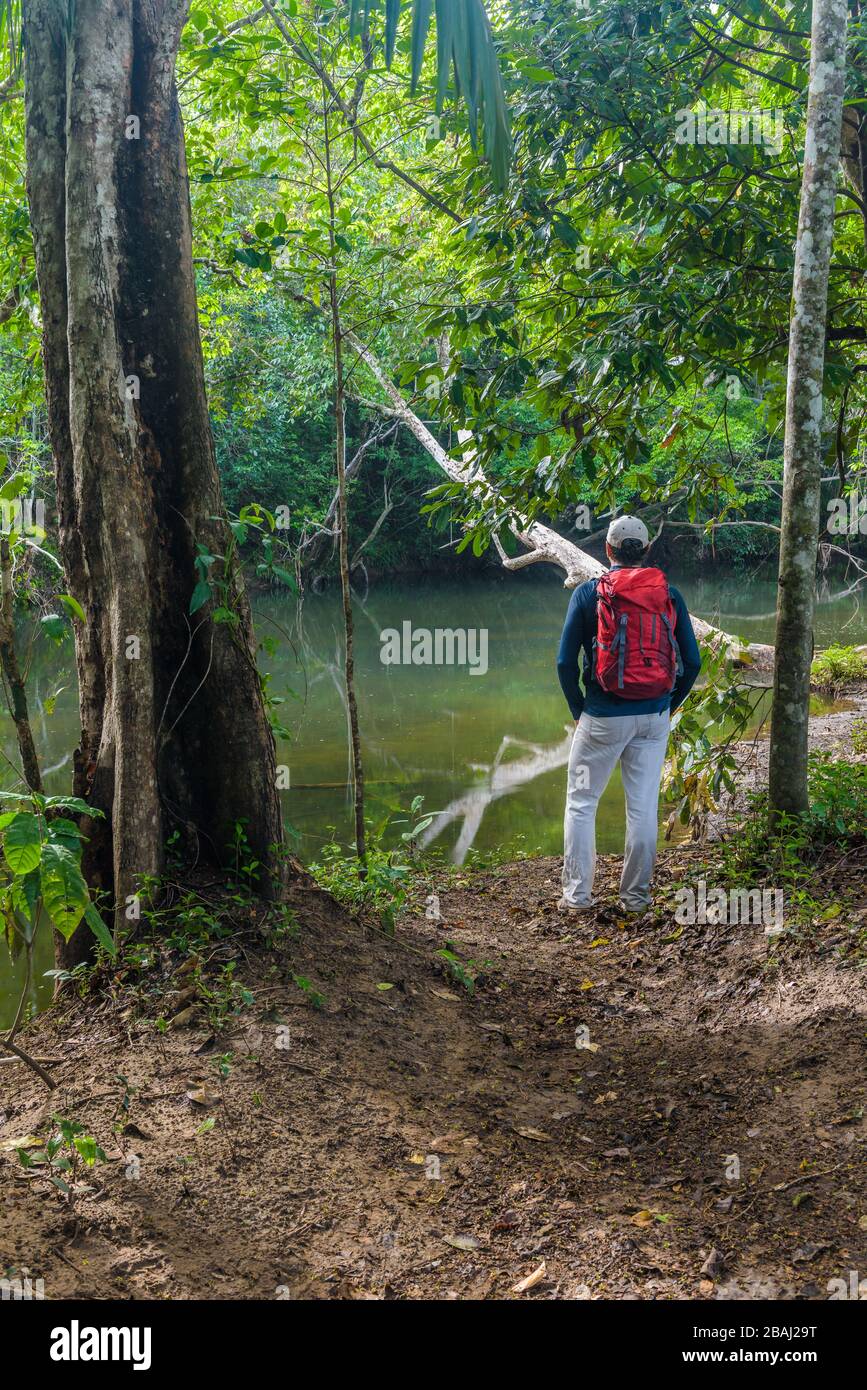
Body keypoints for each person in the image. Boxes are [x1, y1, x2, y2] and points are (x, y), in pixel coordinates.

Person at [556, 515, 702, 915]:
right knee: (642, 807)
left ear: (608, 550)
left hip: (601, 719)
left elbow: (565, 662)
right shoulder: (669, 595)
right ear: (646, 549)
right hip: (652, 719)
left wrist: (578, 709)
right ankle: (635, 898)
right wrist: (667, 706)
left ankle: (577, 897)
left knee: (582, 802)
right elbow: (692, 662)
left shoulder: (589, 594)